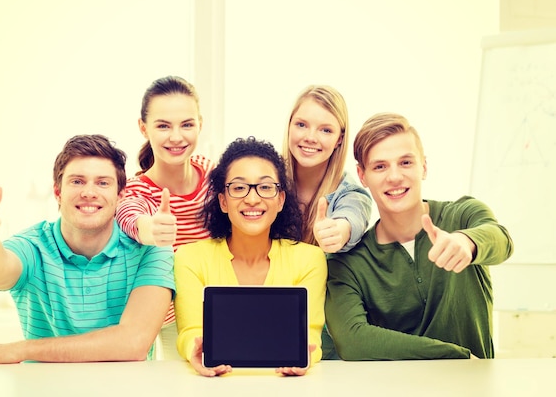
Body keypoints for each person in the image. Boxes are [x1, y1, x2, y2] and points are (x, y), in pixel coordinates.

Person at [0, 134, 175, 364]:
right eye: (77, 181)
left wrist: (24, 350)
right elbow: (0, 267)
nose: (89, 192)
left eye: (103, 182)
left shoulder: (151, 250)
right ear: (58, 192)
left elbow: (133, 342)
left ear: (120, 195)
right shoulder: (33, 246)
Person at [325, 112, 514, 360]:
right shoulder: (348, 263)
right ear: (362, 177)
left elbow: (501, 240)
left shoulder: (463, 215)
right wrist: (457, 356)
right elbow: (352, 341)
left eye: (405, 163)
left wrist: (466, 242)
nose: (394, 177)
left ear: (423, 167)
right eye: (380, 166)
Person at [174, 137, 327, 377]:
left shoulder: (310, 259)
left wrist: (307, 354)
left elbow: (310, 334)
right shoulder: (190, 258)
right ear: (223, 201)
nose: (252, 198)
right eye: (238, 187)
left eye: (265, 187)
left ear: (280, 199)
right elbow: (191, 330)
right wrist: (197, 349)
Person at [116, 76, 214, 360]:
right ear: (143, 128)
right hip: (175, 319)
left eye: (186, 124)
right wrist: (151, 229)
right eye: (163, 126)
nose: (176, 137)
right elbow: (130, 216)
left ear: (200, 125)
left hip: (224, 304)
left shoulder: (210, 172)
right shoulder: (137, 190)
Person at [282, 85, 372, 359]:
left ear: (339, 139)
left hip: (321, 340)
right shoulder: (266, 182)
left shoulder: (350, 194)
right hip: (264, 319)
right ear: (289, 127)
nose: (311, 137)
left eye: (325, 130)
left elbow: (353, 216)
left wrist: (339, 230)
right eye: (302, 124)